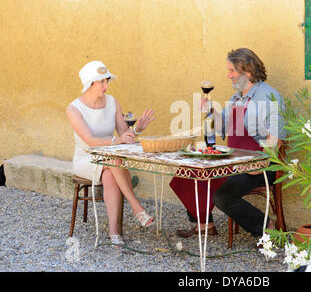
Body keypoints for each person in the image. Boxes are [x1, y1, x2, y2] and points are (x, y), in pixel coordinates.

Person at [169, 48, 285, 239]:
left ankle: (266, 226)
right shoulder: (237, 97)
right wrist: (211, 111)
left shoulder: (268, 96)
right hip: (233, 161)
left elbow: (277, 136)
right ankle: (205, 224)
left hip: (261, 164)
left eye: (232, 71)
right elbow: (223, 127)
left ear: (247, 71)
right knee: (186, 175)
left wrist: (260, 163)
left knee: (223, 196)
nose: (228, 75)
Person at [66, 60, 156, 246]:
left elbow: (124, 134)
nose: (106, 86)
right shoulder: (74, 109)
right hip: (86, 158)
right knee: (112, 161)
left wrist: (137, 129)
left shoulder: (112, 102)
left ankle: (115, 233)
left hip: (109, 159)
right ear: (90, 83)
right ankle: (135, 205)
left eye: (107, 81)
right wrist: (117, 141)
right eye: (102, 82)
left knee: (109, 173)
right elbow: (90, 141)